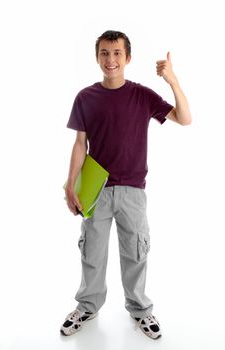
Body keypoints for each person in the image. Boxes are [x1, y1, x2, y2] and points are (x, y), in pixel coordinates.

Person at [60, 30, 191, 339]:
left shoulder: (142, 95)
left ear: (128, 58)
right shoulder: (85, 97)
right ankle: (87, 306)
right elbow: (80, 144)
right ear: (97, 57)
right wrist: (70, 185)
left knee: (135, 253)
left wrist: (172, 80)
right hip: (96, 191)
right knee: (91, 252)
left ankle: (141, 310)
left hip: (133, 191)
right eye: (105, 53)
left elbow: (184, 118)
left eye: (117, 53)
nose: (111, 59)